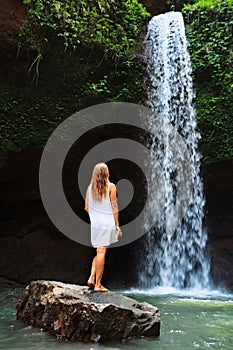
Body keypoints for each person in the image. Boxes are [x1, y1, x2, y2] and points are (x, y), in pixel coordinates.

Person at [85, 163, 122, 292]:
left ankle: (91, 277)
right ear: (106, 173)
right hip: (107, 224)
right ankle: (98, 284)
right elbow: (114, 207)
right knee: (102, 252)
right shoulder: (111, 187)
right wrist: (117, 225)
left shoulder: (90, 188)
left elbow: (87, 208)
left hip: (95, 224)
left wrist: (95, 217)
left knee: (98, 251)